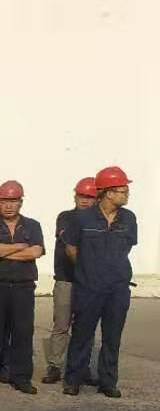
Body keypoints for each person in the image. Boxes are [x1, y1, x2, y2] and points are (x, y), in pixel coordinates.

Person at [63, 166, 137, 398]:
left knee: (112, 337)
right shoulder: (82, 218)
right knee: (82, 335)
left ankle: (108, 382)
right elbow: (71, 249)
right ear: (108, 193)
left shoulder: (129, 218)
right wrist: (90, 269)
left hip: (118, 288)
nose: (127, 194)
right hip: (89, 287)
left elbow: (127, 246)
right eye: (122, 190)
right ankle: (73, 380)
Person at [0, 181, 44, 394]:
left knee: (23, 333)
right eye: (5, 201)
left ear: (20, 202)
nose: (8, 206)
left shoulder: (32, 226)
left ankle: (21, 377)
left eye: (13, 201)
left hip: (23, 287)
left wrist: (3, 250)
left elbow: (35, 252)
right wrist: (19, 247)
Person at [42, 177, 97, 384]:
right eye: (81, 195)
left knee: (86, 327)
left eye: (89, 197)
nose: (84, 200)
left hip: (90, 282)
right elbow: (70, 241)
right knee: (61, 324)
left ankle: (82, 367)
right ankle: (55, 366)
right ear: (75, 196)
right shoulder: (66, 217)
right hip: (67, 279)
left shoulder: (99, 220)